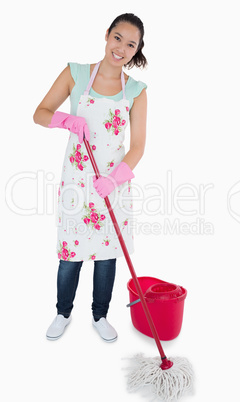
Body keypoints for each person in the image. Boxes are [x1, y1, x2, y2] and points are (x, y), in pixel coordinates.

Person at [33, 13, 147, 342]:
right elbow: (39, 113)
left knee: (107, 254)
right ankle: (62, 312)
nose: (121, 48)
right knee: (71, 253)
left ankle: (100, 315)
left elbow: (138, 146)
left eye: (131, 44)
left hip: (112, 185)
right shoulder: (76, 73)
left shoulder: (136, 91)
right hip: (77, 184)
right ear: (107, 35)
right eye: (118, 38)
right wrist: (66, 121)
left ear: (136, 50)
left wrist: (114, 180)